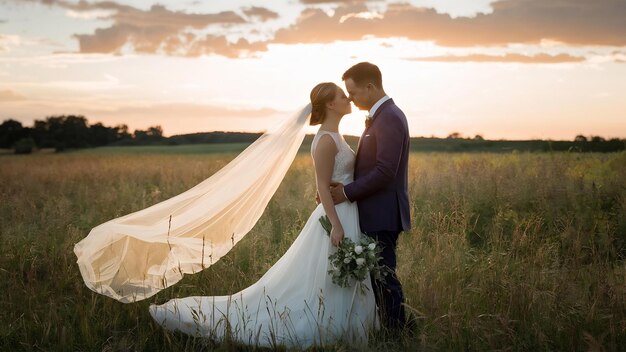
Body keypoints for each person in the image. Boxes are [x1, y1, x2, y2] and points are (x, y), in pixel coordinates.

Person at [149, 82, 377, 348]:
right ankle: (330, 327)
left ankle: (347, 327)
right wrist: (336, 226)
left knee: (334, 276)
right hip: (336, 217)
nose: (347, 97)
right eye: (341, 95)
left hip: (347, 212)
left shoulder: (336, 136)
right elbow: (321, 188)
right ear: (329, 104)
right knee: (330, 274)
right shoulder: (325, 140)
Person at [330, 62, 411, 331]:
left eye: (353, 92)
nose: (350, 98)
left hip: (383, 212)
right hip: (376, 210)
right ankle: (391, 328)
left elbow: (386, 171)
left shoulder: (389, 117)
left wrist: (345, 192)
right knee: (378, 274)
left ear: (370, 86)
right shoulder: (382, 116)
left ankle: (397, 332)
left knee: (384, 275)